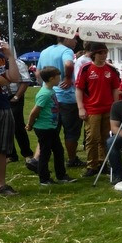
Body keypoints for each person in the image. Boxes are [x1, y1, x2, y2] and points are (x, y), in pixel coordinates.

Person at [36, 34, 85, 169]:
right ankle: (72, 158)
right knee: (71, 131)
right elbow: (68, 64)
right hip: (67, 97)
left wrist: (44, 86)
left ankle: (37, 158)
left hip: (51, 96)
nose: (76, 42)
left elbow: (37, 72)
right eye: (74, 39)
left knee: (51, 129)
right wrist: (68, 78)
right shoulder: (66, 51)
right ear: (65, 38)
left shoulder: (45, 51)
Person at [75, 43, 121, 177]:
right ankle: (91, 165)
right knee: (92, 137)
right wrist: (80, 107)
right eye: (101, 53)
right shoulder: (86, 69)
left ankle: (103, 163)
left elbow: (115, 89)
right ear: (93, 54)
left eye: (105, 53)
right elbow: (79, 88)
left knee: (105, 138)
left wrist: (116, 106)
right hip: (92, 108)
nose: (104, 55)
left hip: (108, 108)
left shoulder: (111, 70)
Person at [25, 66, 75, 185]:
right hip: (44, 129)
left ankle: (61, 175)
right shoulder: (44, 94)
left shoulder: (51, 90)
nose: (60, 79)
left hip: (51, 127)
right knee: (45, 153)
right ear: (52, 78)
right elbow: (34, 111)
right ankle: (44, 179)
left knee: (58, 151)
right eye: (58, 77)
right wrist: (30, 124)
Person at [0, 20, 22, 196]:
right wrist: (6, 79)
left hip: (3, 104)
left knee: (1, 148)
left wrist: (10, 57)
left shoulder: (1, 56)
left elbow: (15, 77)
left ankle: (1, 185)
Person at [7, 56, 36, 164]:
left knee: (17, 125)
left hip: (15, 96)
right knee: (5, 126)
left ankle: (27, 153)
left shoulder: (18, 63)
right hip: (1, 95)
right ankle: (10, 154)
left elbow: (25, 81)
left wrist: (17, 97)